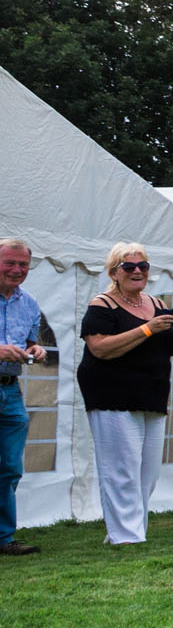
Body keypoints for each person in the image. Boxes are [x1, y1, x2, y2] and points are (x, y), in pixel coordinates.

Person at [76, 242, 173, 545]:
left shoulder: (157, 303)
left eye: (143, 266)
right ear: (114, 272)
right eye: (129, 267)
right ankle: (126, 538)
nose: (137, 271)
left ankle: (131, 531)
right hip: (111, 394)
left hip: (152, 395)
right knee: (121, 469)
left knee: (147, 474)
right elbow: (99, 347)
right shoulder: (102, 304)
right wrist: (148, 329)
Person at [0, 237, 50, 556]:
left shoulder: (30, 304)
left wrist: (37, 350)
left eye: (23, 265)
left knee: (9, 468)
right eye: (10, 263)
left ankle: (4, 538)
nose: (17, 270)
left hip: (10, 391)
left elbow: (32, 343)